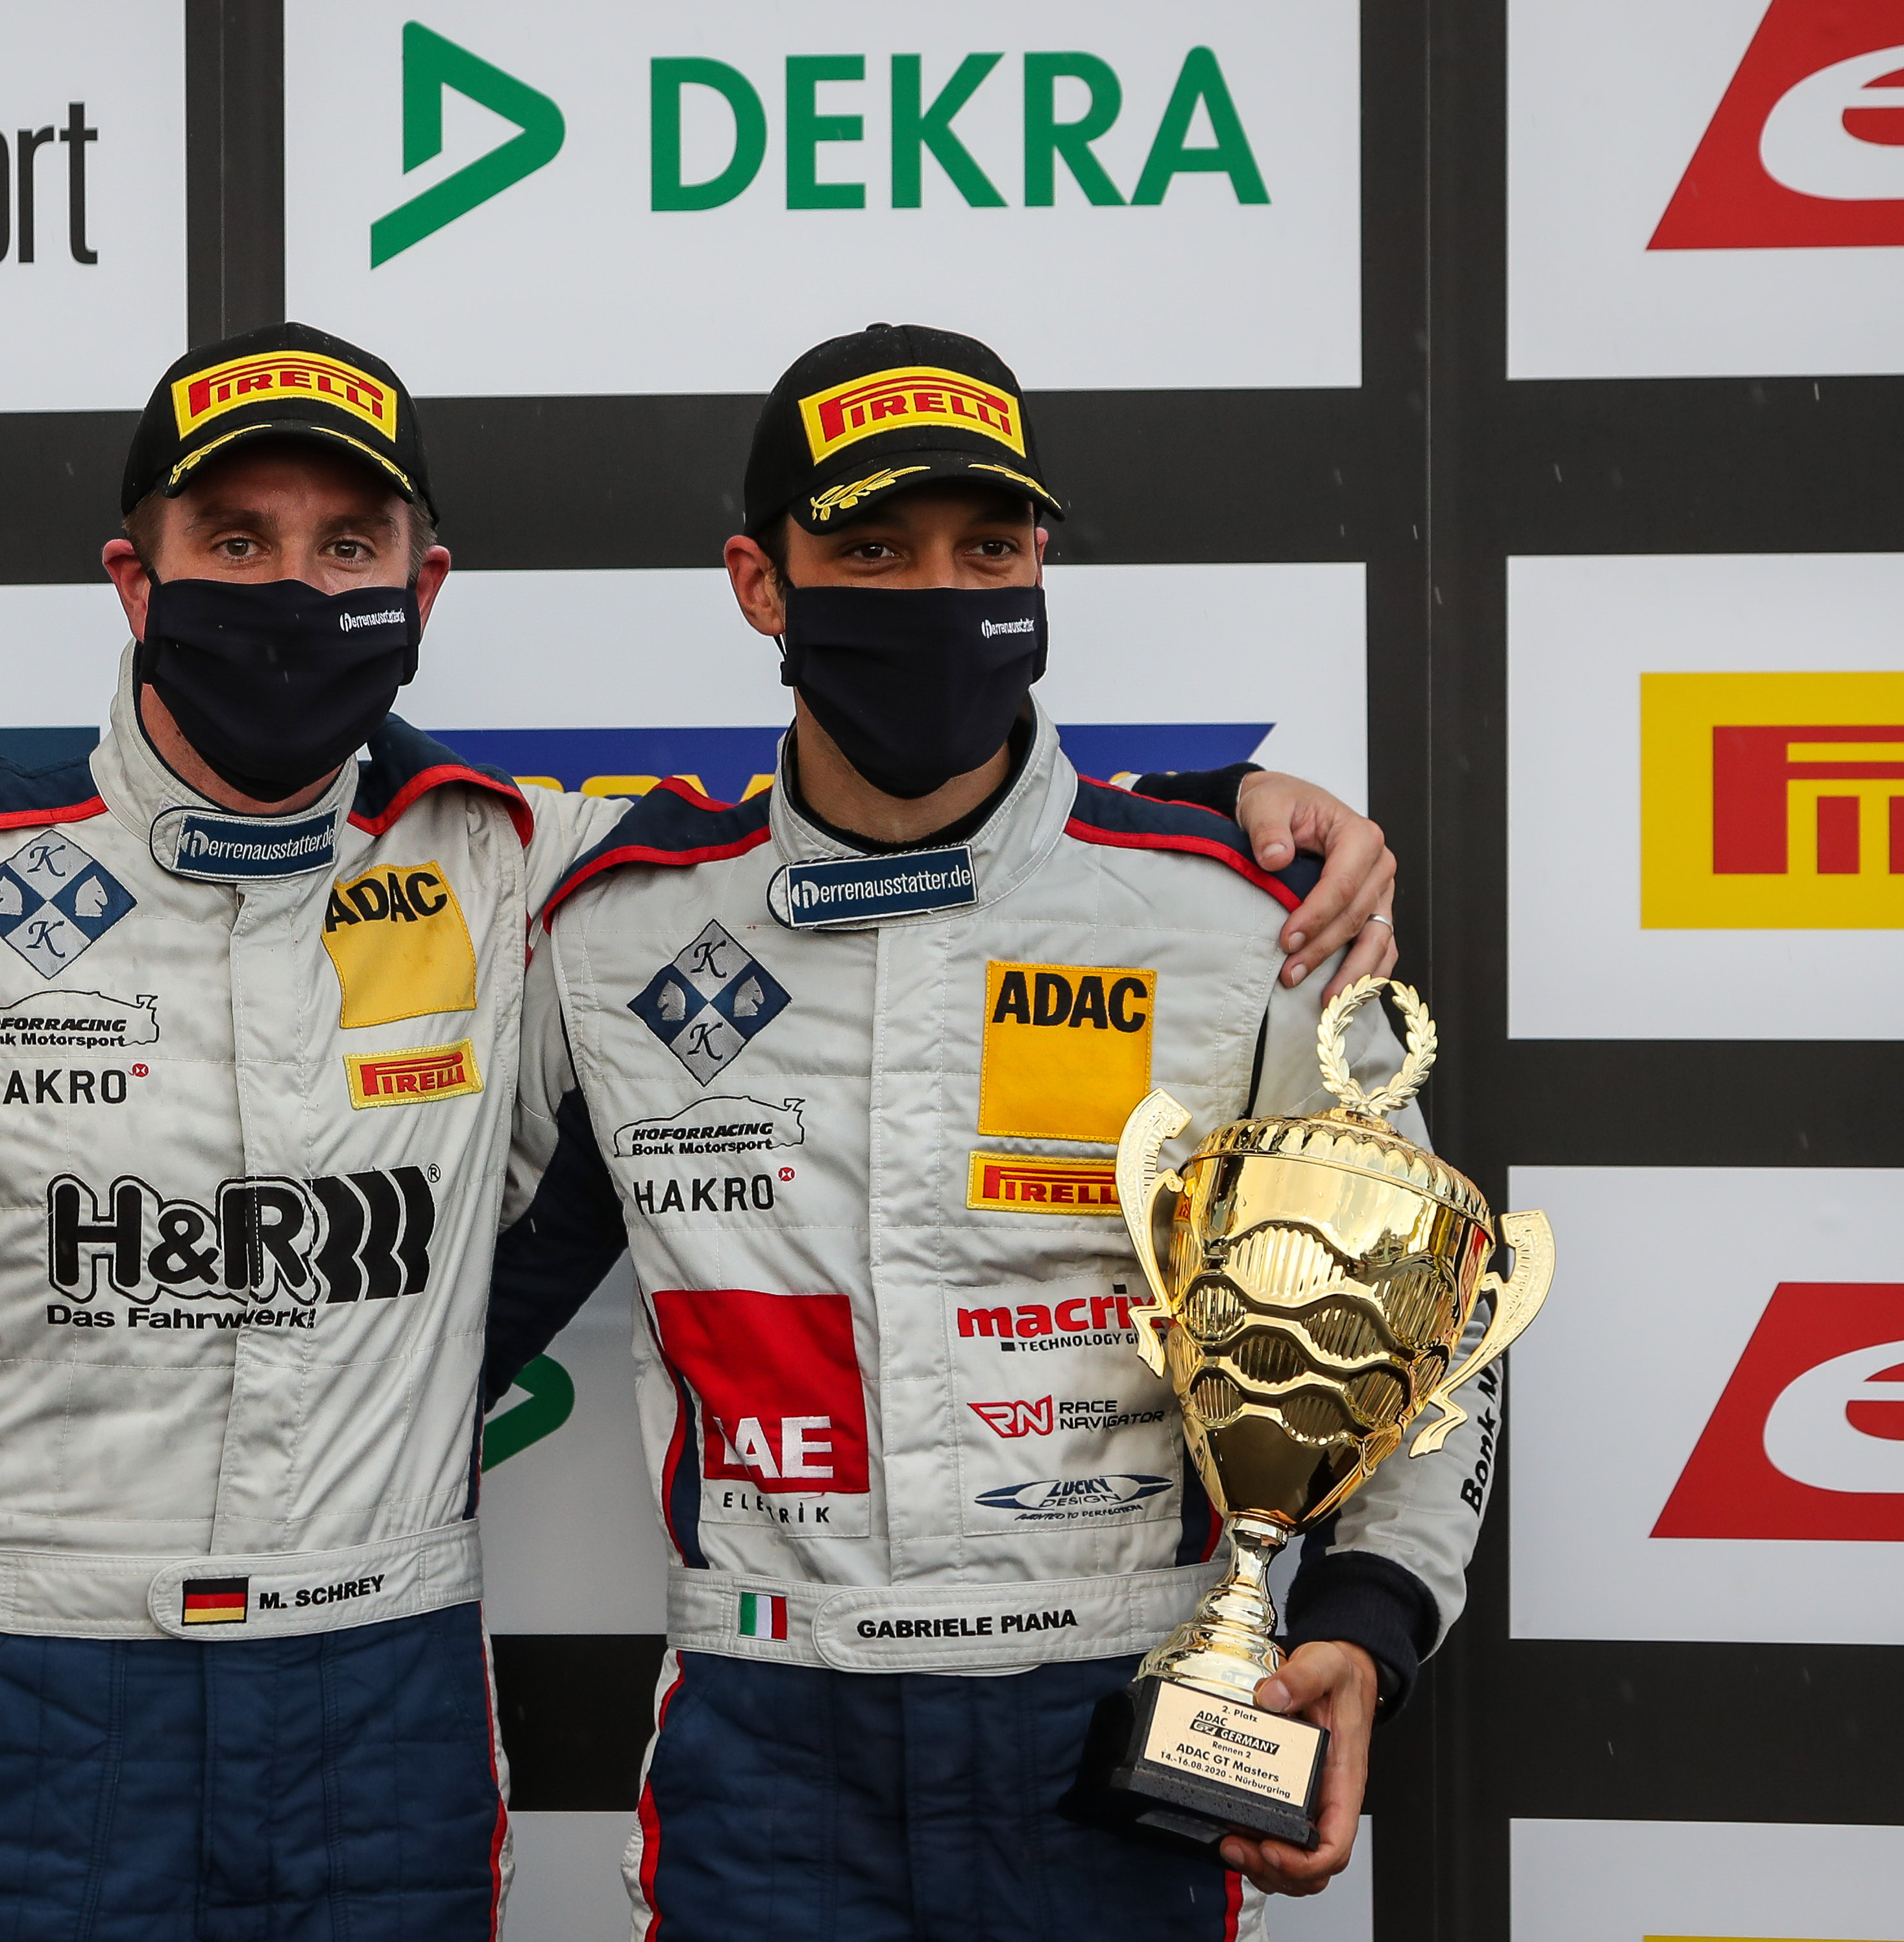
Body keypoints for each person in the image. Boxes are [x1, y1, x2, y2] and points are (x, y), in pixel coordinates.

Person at [0, 321, 1395, 1942]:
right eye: (238, 538)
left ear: (423, 587)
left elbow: (895, 860)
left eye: (348, 541)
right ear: (134, 577)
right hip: (18, 1709)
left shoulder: (532, 873)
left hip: (373, 1715)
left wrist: (1226, 809)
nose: (296, 587)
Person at [472, 325, 1479, 1941]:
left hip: (1119, 1720)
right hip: (768, 1733)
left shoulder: (1242, 922)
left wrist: (1365, 1618)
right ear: (760, 582)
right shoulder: (612, 927)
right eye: (873, 550)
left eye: (989, 549)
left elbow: (1425, 1329)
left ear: (1040, 568)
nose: (940, 593)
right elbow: (422, 1280)